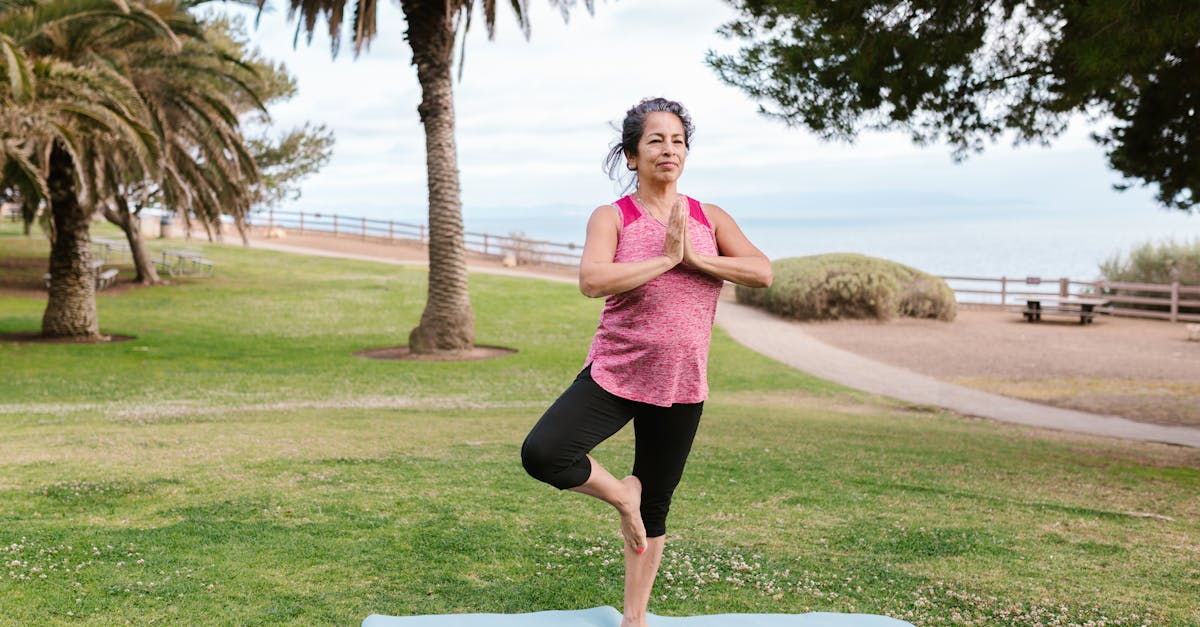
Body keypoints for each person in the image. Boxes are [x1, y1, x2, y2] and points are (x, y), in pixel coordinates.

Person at [520, 97, 773, 627]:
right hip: (617, 372)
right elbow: (591, 280)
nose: (669, 148)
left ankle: (635, 619)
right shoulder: (614, 216)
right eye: (655, 139)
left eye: (678, 140)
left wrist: (696, 258)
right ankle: (620, 493)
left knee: (657, 505)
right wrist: (664, 258)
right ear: (632, 156)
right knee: (544, 453)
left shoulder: (708, 217)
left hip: (682, 383)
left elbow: (762, 271)